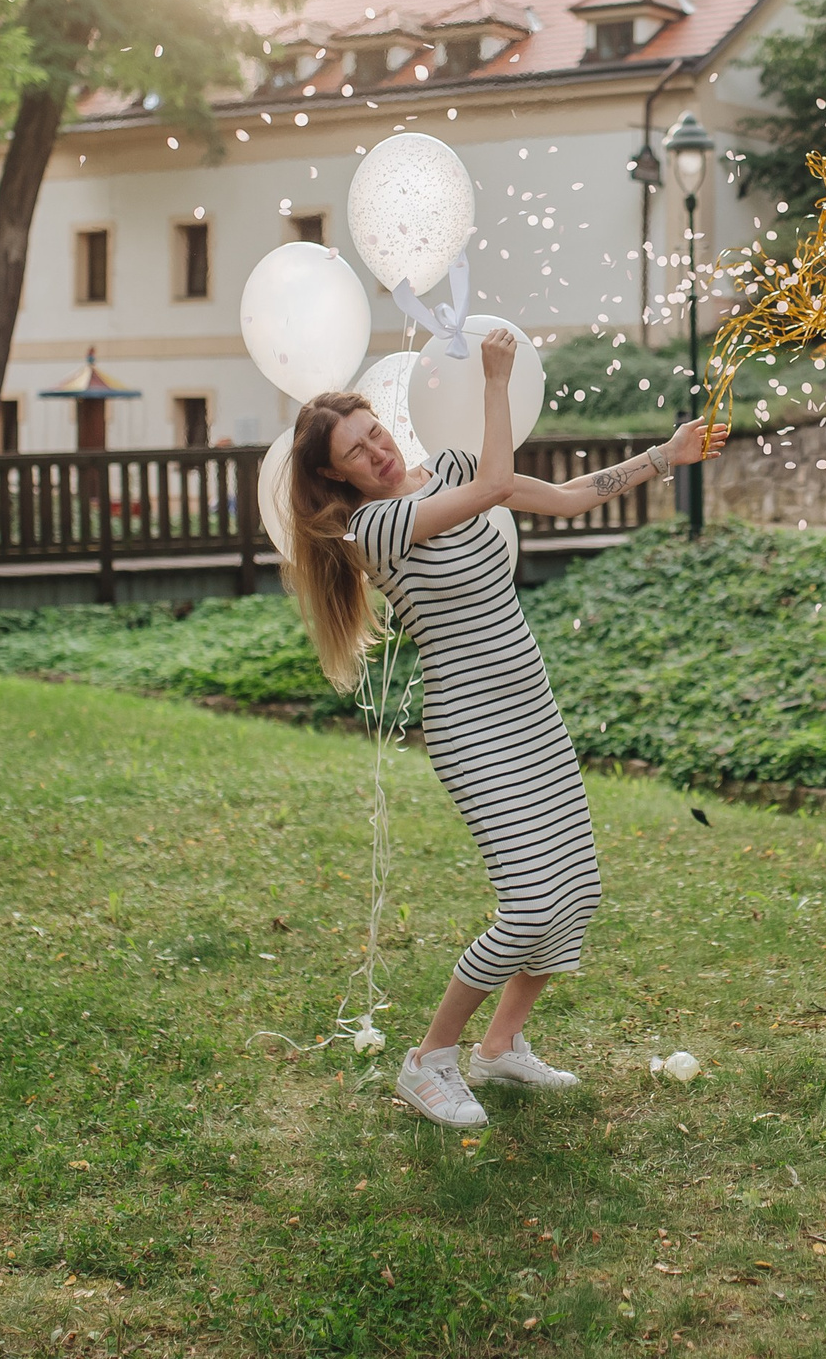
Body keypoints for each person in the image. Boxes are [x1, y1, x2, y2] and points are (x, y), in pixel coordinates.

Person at [281, 329, 728, 1129]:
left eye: (375, 431)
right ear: (334, 475)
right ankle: (428, 1060)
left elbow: (565, 496)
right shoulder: (375, 529)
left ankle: (499, 1047)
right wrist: (495, 380)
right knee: (527, 904)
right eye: (355, 451)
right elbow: (495, 483)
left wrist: (666, 455)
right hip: (472, 726)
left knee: (577, 889)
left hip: (531, 709)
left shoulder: (451, 470)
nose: (377, 451)